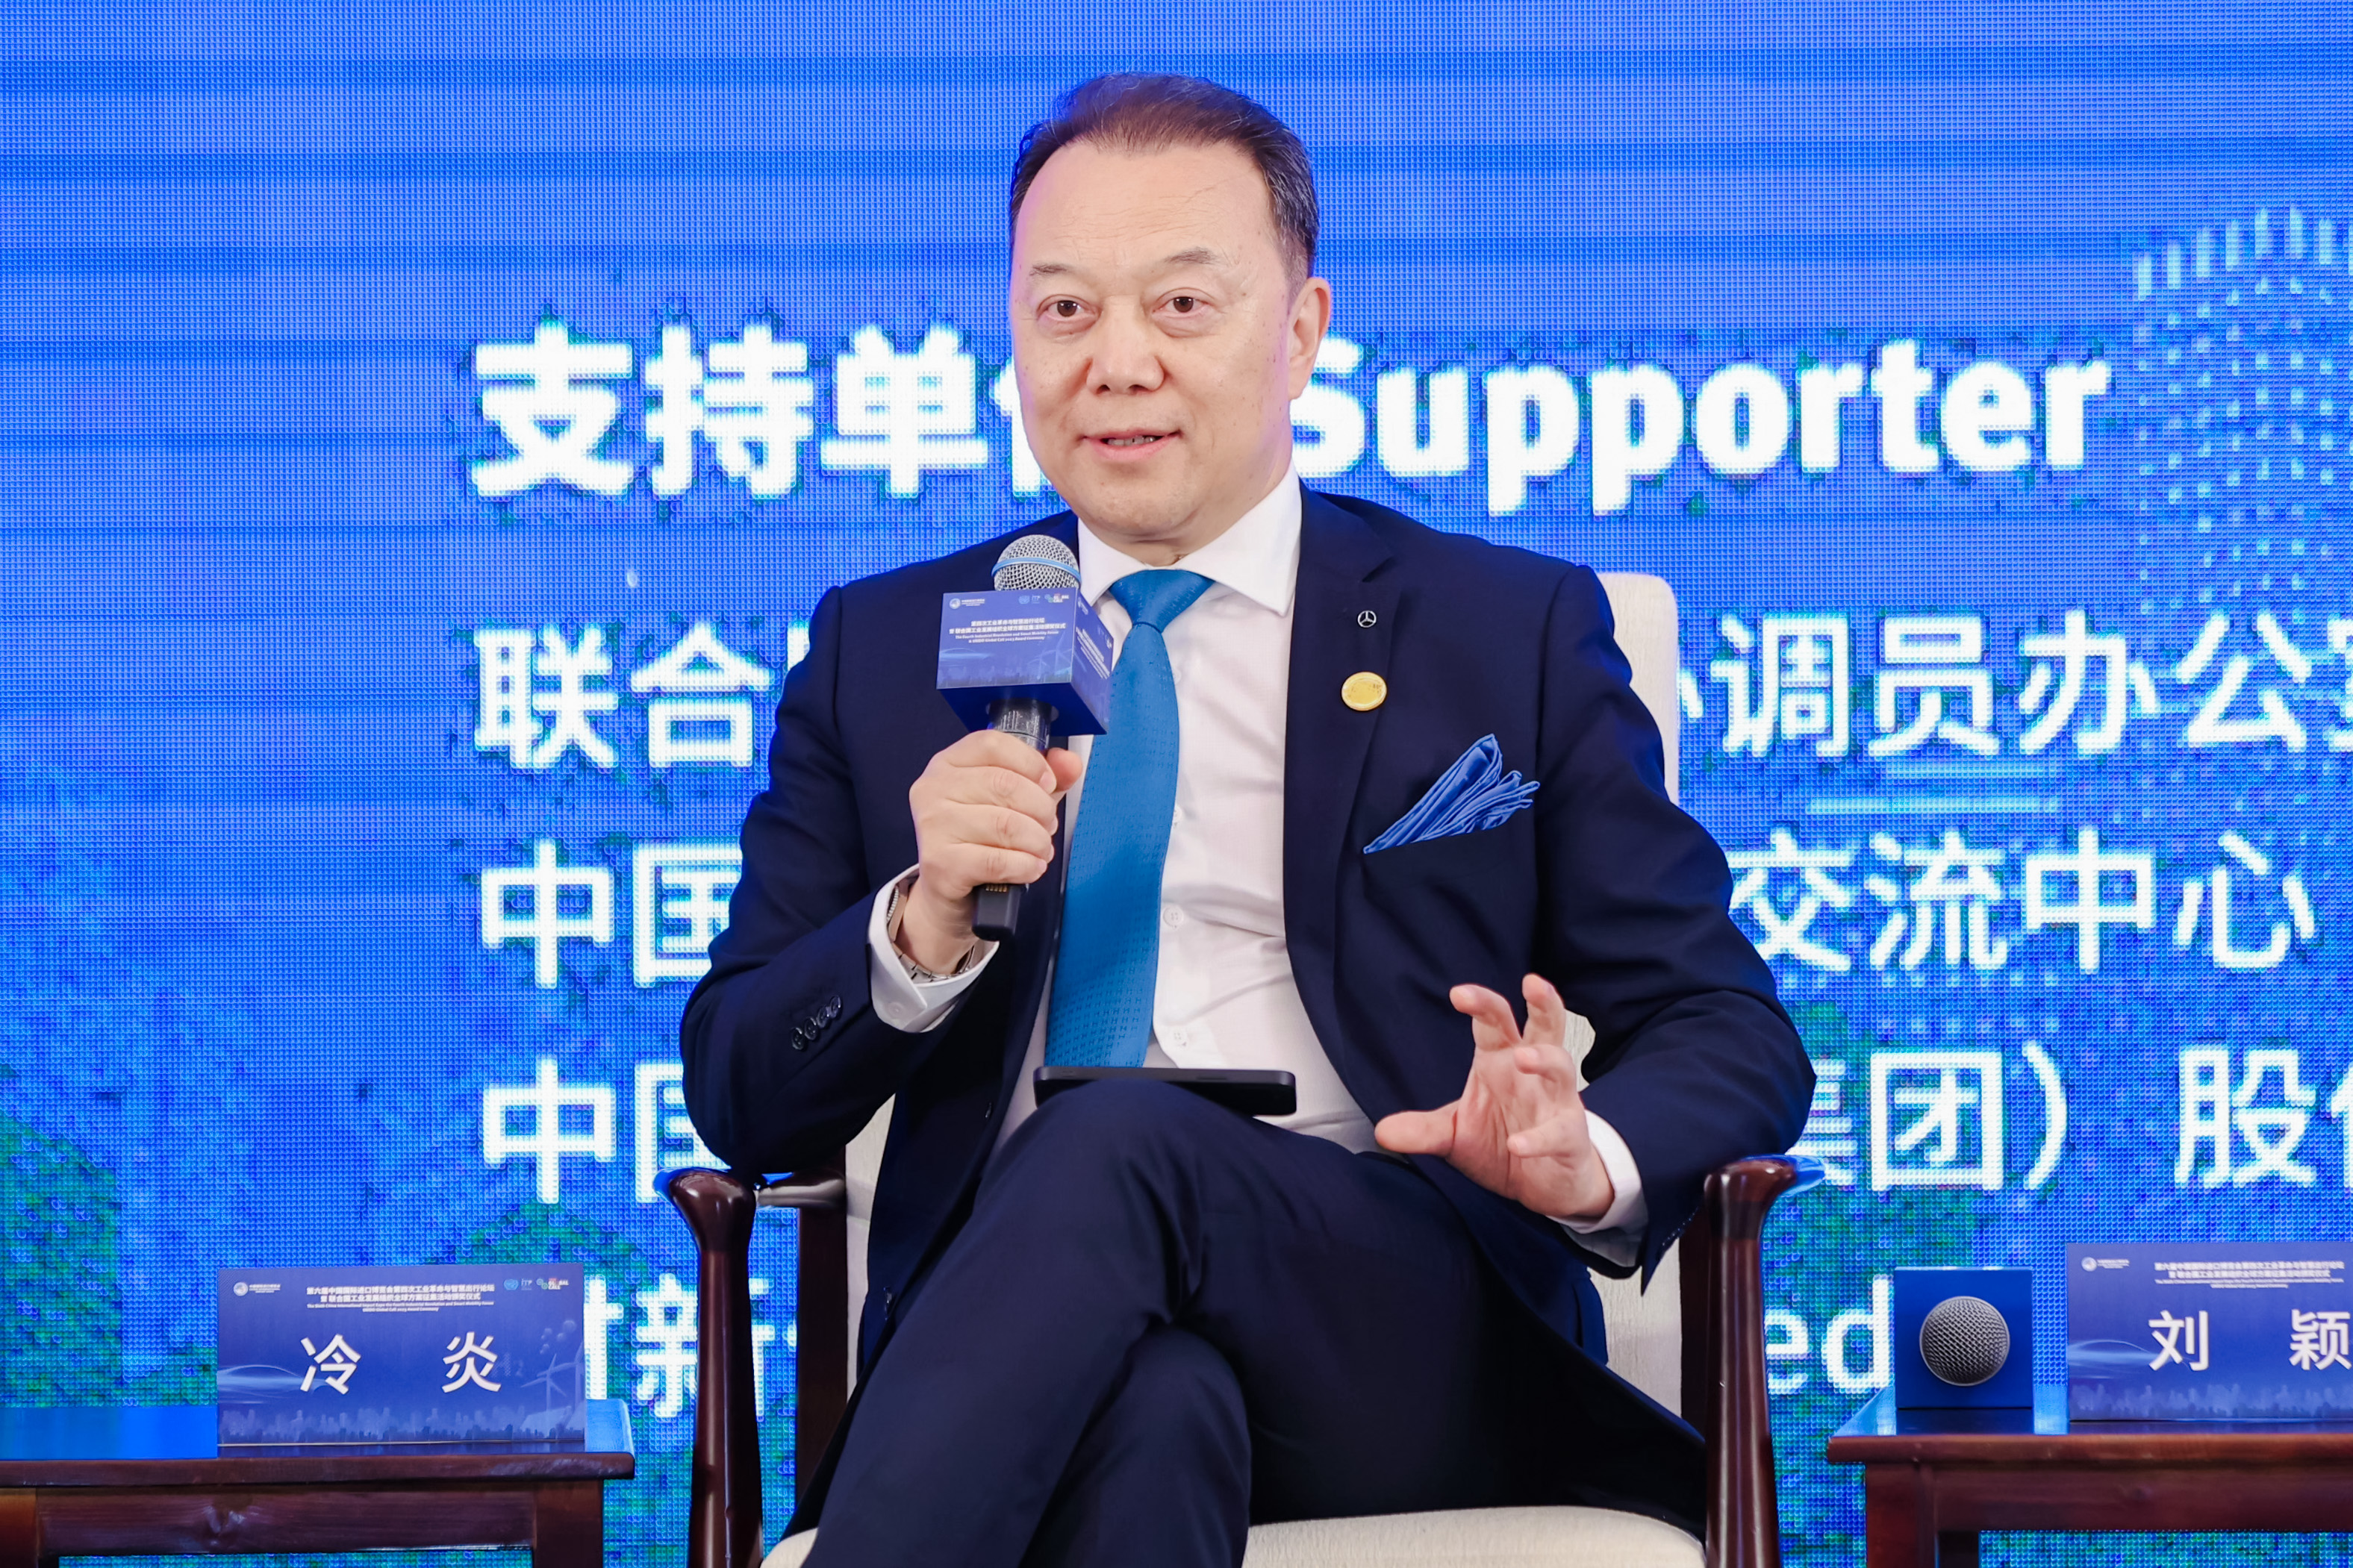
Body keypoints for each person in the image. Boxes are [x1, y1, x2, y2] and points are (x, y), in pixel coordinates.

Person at [682, 72, 1812, 1568]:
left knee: (1116, 1138)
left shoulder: (1503, 631)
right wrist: (917, 925)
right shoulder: (885, 648)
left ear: (1302, 330)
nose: (1117, 363)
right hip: (1022, 1336)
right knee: (1157, 1411)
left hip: (1404, 1324)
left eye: (1181, 306)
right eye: (1064, 311)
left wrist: (1582, 1153)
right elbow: (744, 1093)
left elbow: (1730, 1030)